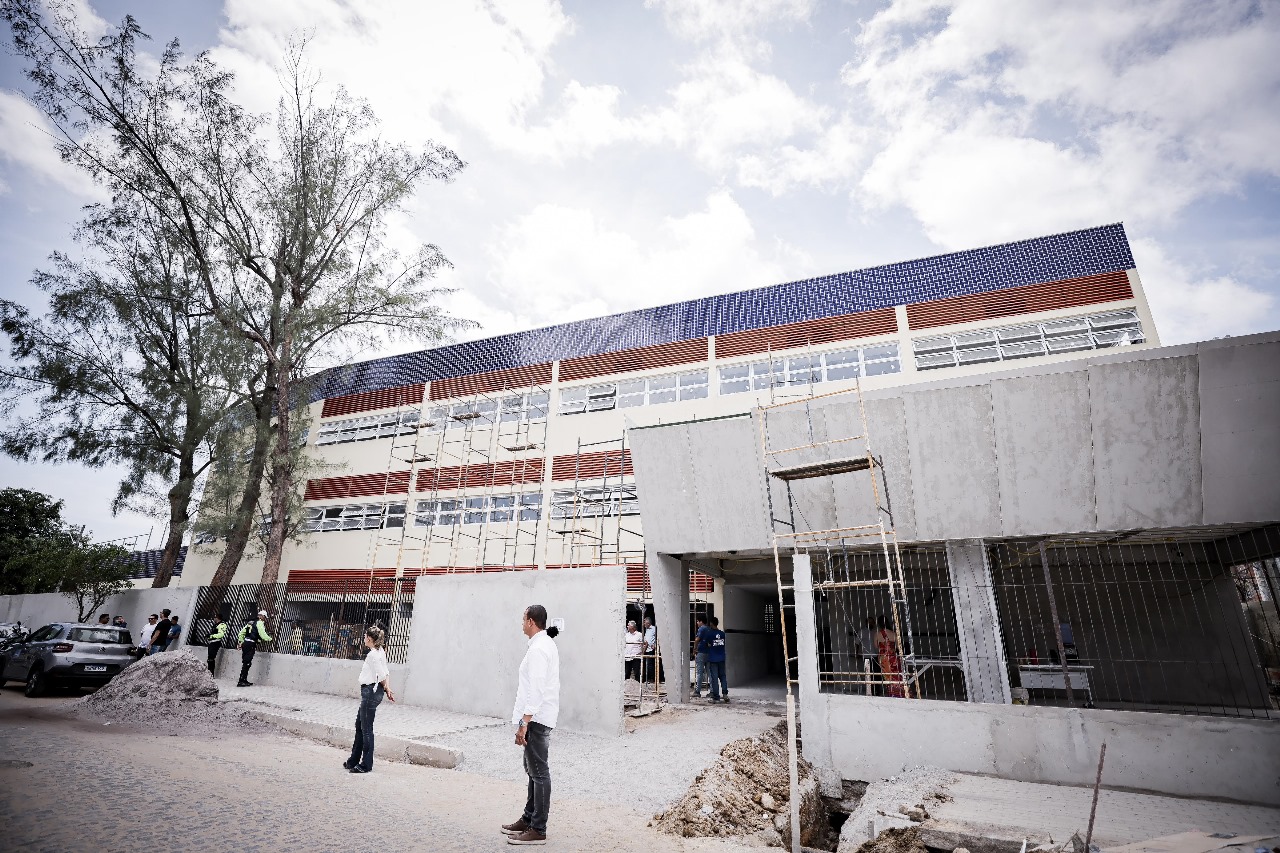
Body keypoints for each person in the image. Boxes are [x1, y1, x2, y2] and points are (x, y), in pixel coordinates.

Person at [501, 604, 560, 846]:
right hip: (537, 717)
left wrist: (524, 721)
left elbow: (536, 689)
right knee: (533, 770)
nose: (521, 623)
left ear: (531, 622)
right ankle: (528, 819)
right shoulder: (542, 644)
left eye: (523, 618)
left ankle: (538, 829)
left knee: (539, 772)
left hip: (536, 718)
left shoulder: (539, 649)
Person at [345, 626, 396, 773]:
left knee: (366, 730)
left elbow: (382, 674)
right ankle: (353, 761)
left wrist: (386, 688)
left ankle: (366, 765)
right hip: (374, 691)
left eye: (365, 636)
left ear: (369, 638)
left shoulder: (373, 654)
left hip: (370, 692)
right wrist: (387, 688)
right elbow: (386, 672)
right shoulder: (380, 651)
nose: (364, 638)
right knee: (360, 726)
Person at [236, 610, 273, 687]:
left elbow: (241, 633)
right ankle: (241, 681)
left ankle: (243, 680)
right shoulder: (259, 623)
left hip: (245, 643)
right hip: (251, 644)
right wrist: (270, 639)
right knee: (247, 663)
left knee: (246, 662)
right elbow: (263, 635)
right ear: (262, 616)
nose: (265, 619)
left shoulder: (250, 622)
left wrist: (241, 642)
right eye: (265, 617)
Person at [875, 616, 905, 698]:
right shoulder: (894, 634)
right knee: (897, 676)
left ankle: (891, 693)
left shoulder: (877, 634)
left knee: (888, 677)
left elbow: (876, 646)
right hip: (893, 658)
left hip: (883, 659)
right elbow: (899, 647)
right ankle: (899, 693)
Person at [707, 616, 728, 703]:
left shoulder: (709, 634)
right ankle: (725, 694)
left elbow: (708, 644)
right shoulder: (722, 634)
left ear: (711, 623)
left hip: (713, 659)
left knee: (714, 678)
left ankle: (716, 697)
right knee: (723, 676)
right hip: (722, 658)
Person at [691, 615, 712, 698]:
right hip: (709, 653)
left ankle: (697, 691)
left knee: (700, 673)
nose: (697, 623)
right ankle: (712, 691)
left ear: (701, 621)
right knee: (709, 673)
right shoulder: (709, 629)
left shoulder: (701, 629)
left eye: (697, 621)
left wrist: (694, 649)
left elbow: (697, 639)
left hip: (701, 652)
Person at [642, 616, 658, 683]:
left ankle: (651, 679)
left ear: (648, 623)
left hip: (651, 649)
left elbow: (658, 637)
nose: (643, 624)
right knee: (646, 664)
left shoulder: (654, 628)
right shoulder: (646, 629)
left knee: (650, 665)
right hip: (645, 649)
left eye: (644, 622)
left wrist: (655, 644)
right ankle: (646, 678)